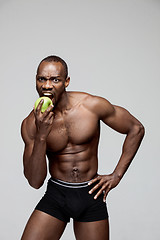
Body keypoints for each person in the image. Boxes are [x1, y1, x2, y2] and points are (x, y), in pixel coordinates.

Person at [21, 55, 145, 240]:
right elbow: (35, 181)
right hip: (57, 194)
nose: (47, 86)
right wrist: (41, 135)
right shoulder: (31, 124)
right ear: (36, 80)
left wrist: (117, 175)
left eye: (55, 79)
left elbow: (136, 128)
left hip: (90, 193)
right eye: (42, 79)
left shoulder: (91, 105)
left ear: (66, 81)